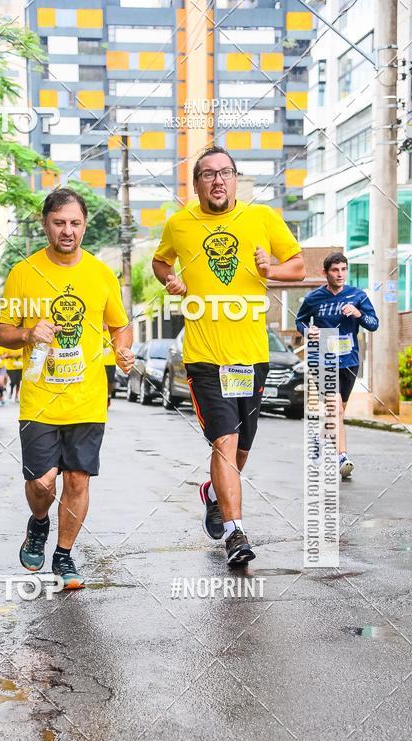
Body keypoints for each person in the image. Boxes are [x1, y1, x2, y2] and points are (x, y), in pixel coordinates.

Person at [152, 146, 305, 566]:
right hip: (204, 356)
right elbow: (160, 262)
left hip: (251, 355)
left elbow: (297, 266)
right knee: (224, 440)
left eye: (225, 173)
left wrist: (271, 269)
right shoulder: (179, 224)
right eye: (208, 174)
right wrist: (171, 280)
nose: (218, 180)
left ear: (236, 179)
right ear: (196, 183)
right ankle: (236, 534)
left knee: (241, 448)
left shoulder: (262, 218)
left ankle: (213, 493)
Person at [0, 187, 134, 588]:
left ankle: (64, 555)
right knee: (42, 482)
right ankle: (39, 521)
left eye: (75, 223)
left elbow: (119, 326)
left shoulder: (101, 273)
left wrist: (122, 351)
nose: (67, 230)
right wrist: (27, 333)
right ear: (45, 225)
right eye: (59, 223)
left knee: (77, 480)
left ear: (85, 225)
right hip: (39, 398)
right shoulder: (23, 273)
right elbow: (1, 331)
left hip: (87, 398)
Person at [295, 252, 379, 480]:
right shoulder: (313, 298)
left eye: (343, 269)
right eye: (335, 270)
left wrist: (358, 313)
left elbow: (373, 324)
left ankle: (320, 440)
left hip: (349, 361)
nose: (340, 274)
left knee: (338, 412)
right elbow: (299, 320)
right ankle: (342, 457)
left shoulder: (357, 296)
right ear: (325, 272)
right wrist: (308, 331)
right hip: (323, 360)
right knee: (336, 410)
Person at [103, 325, 116, 408]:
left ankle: (108, 396)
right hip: (97, 362)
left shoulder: (112, 332)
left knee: (110, 382)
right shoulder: (95, 329)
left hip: (110, 362)